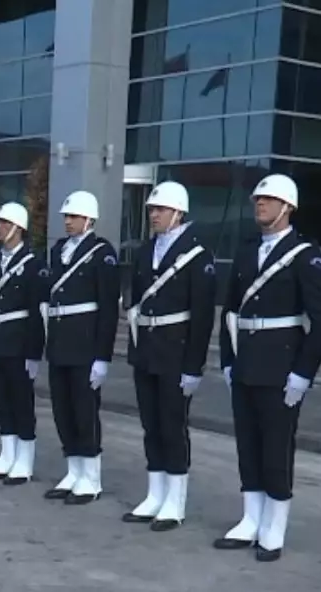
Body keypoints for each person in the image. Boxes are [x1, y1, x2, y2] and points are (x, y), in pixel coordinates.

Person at [215, 174, 321, 562]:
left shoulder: (305, 253)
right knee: (247, 444)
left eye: (267, 200)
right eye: (257, 200)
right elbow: (230, 311)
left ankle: (274, 526)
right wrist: (228, 360)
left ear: (287, 207)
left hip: (282, 365)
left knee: (276, 448)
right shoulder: (248, 250)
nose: (260, 205)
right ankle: (251, 518)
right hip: (247, 361)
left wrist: (303, 373)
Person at [122, 181, 218, 531]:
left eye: (159, 209)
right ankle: (154, 494)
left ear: (178, 212)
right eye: (151, 209)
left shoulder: (197, 253)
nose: (153, 214)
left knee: (172, 426)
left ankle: (174, 501)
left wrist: (194, 365)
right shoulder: (147, 250)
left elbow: (203, 315)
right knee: (151, 425)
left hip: (176, 351)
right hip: (147, 348)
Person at [41, 190, 120, 504]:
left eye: (73, 216)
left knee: (85, 411)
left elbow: (108, 309)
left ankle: (91, 477)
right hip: (60, 341)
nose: (68, 222)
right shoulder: (58, 250)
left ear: (89, 219)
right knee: (63, 410)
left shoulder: (102, 253)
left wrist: (103, 357)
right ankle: (73, 470)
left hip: (85, 344)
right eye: (66, 216)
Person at [0, 201, 46, 485]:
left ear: (18, 228)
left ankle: (24, 460)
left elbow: (37, 314)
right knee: (2, 400)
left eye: (4, 223)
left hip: (20, 343)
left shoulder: (33, 266)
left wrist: (33, 353)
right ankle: (7, 454)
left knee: (21, 402)